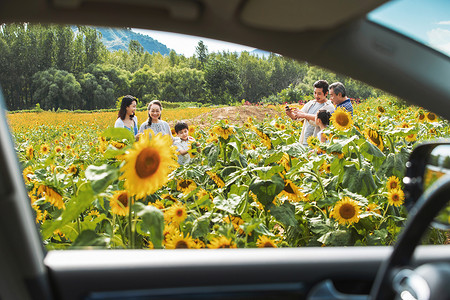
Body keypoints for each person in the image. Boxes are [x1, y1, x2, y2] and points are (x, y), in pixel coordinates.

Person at [285, 80, 335, 147]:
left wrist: (304, 115)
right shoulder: (311, 103)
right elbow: (298, 117)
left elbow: (320, 120)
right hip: (305, 140)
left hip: (319, 143)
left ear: (326, 93)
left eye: (319, 93)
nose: (316, 96)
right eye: (315, 93)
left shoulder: (329, 106)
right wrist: (290, 114)